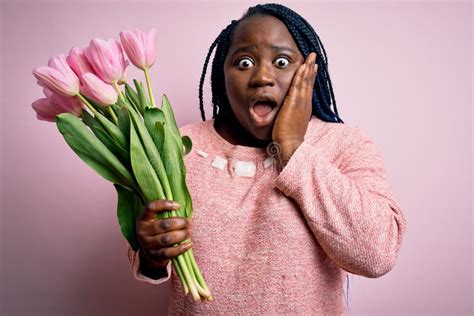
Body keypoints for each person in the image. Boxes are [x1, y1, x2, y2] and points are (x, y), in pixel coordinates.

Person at [127, 3, 407, 314]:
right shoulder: (177, 146)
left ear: (309, 73)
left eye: (282, 61)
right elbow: (151, 256)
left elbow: (377, 254)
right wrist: (151, 255)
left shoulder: (344, 144)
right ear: (222, 75)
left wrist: (292, 146)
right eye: (244, 62)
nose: (262, 76)